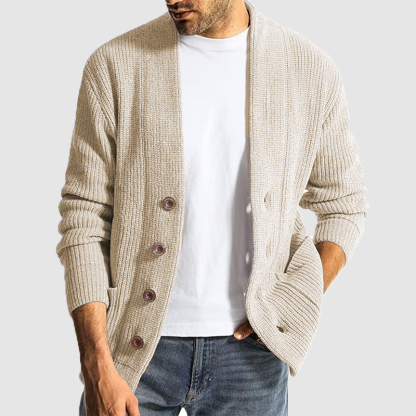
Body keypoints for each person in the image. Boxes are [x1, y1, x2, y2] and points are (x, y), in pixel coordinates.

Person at [56, 0, 369, 415]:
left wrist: (294, 298)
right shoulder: (115, 65)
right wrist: (95, 364)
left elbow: (344, 204)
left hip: (252, 361)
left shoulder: (309, 71)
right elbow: (84, 217)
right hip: (130, 354)